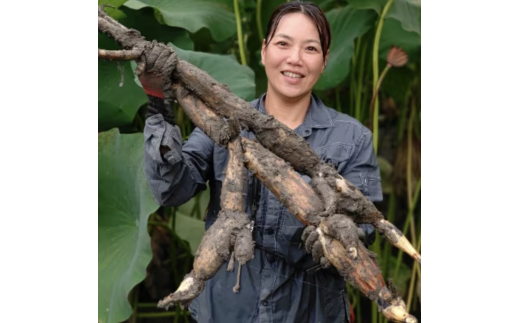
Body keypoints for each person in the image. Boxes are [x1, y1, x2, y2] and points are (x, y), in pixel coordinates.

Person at [141, 2, 383, 322]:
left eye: (310, 48)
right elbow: (171, 189)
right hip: (226, 310)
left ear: (324, 61)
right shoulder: (224, 124)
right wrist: (158, 105)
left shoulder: (353, 138)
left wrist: (336, 234)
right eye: (283, 44)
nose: (294, 58)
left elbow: (367, 225)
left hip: (311, 312)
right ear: (264, 51)